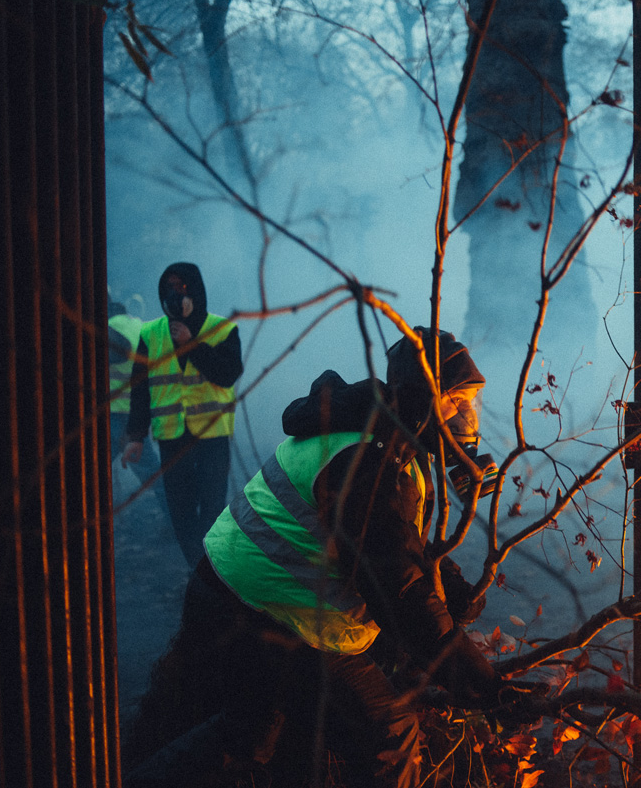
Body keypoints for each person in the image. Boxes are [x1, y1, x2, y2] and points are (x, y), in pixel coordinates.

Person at [124, 327, 507, 788]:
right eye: (455, 402)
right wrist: (483, 685)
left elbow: (389, 536)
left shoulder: (380, 434)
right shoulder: (367, 458)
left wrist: (452, 585)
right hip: (274, 615)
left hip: (232, 590)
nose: (467, 417)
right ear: (423, 397)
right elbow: (396, 587)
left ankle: (119, 772)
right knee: (389, 735)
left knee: (254, 739)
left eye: (471, 404)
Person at [122, 263, 243, 568]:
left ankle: (212, 572)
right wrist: (135, 437)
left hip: (212, 436)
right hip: (171, 437)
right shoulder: (150, 333)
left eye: (182, 287)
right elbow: (140, 390)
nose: (175, 294)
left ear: (196, 290)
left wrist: (191, 344)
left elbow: (227, 375)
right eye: (169, 288)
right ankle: (201, 569)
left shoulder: (223, 329)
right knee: (181, 511)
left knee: (213, 507)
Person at [107, 295, 166, 507]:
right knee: (152, 474)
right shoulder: (140, 327)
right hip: (136, 415)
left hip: (114, 414)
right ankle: (176, 523)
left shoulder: (108, 330)